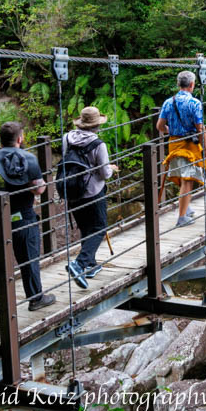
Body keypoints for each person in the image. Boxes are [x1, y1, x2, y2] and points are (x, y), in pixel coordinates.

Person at [0, 121, 56, 323]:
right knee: (28, 256)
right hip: (22, 215)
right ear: (20, 138)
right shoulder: (28, 158)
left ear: (1, 139)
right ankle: (36, 298)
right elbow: (38, 189)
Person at [62, 106, 118, 289]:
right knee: (99, 228)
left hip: (72, 190)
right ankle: (79, 264)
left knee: (86, 227)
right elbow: (104, 173)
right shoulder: (98, 145)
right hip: (93, 192)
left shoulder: (67, 138)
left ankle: (90, 265)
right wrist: (112, 169)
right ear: (97, 125)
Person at [157, 71, 206, 227]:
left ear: (178, 84)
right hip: (189, 146)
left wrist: (171, 130)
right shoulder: (194, 103)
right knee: (188, 179)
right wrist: (205, 148)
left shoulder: (168, 102)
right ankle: (182, 218)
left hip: (174, 143)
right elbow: (200, 128)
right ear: (192, 84)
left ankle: (185, 207)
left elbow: (159, 126)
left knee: (182, 175)